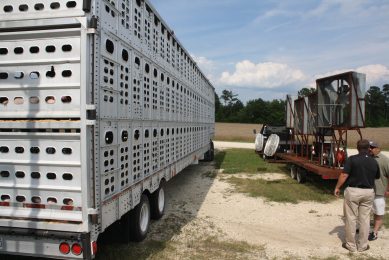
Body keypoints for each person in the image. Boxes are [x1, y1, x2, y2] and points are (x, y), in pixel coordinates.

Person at [334, 139, 380, 252]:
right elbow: (377, 177)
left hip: (353, 191)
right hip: (368, 191)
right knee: (365, 219)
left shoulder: (352, 159)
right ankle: (363, 245)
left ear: (357, 148)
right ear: (369, 148)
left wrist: (337, 187)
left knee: (351, 218)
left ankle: (351, 245)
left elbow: (344, 175)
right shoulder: (374, 161)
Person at [368, 141, 389, 241]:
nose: (370, 149)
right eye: (369, 147)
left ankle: (375, 232)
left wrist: (388, 190)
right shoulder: (367, 158)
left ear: (377, 148)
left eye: (372, 147)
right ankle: (364, 227)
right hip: (367, 190)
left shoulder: (385, 160)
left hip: (379, 191)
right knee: (365, 210)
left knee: (378, 211)